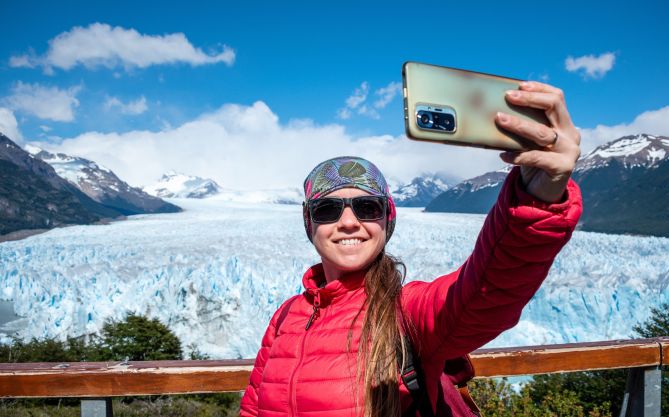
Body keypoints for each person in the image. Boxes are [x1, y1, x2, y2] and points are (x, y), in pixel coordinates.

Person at [240, 81, 583, 417]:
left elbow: (485, 291)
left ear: (387, 219)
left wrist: (536, 199)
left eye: (367, 208)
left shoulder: (408, 313)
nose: (348, 222)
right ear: (308, 222)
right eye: (327, 210)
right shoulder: (286, 317)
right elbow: (254, 407)